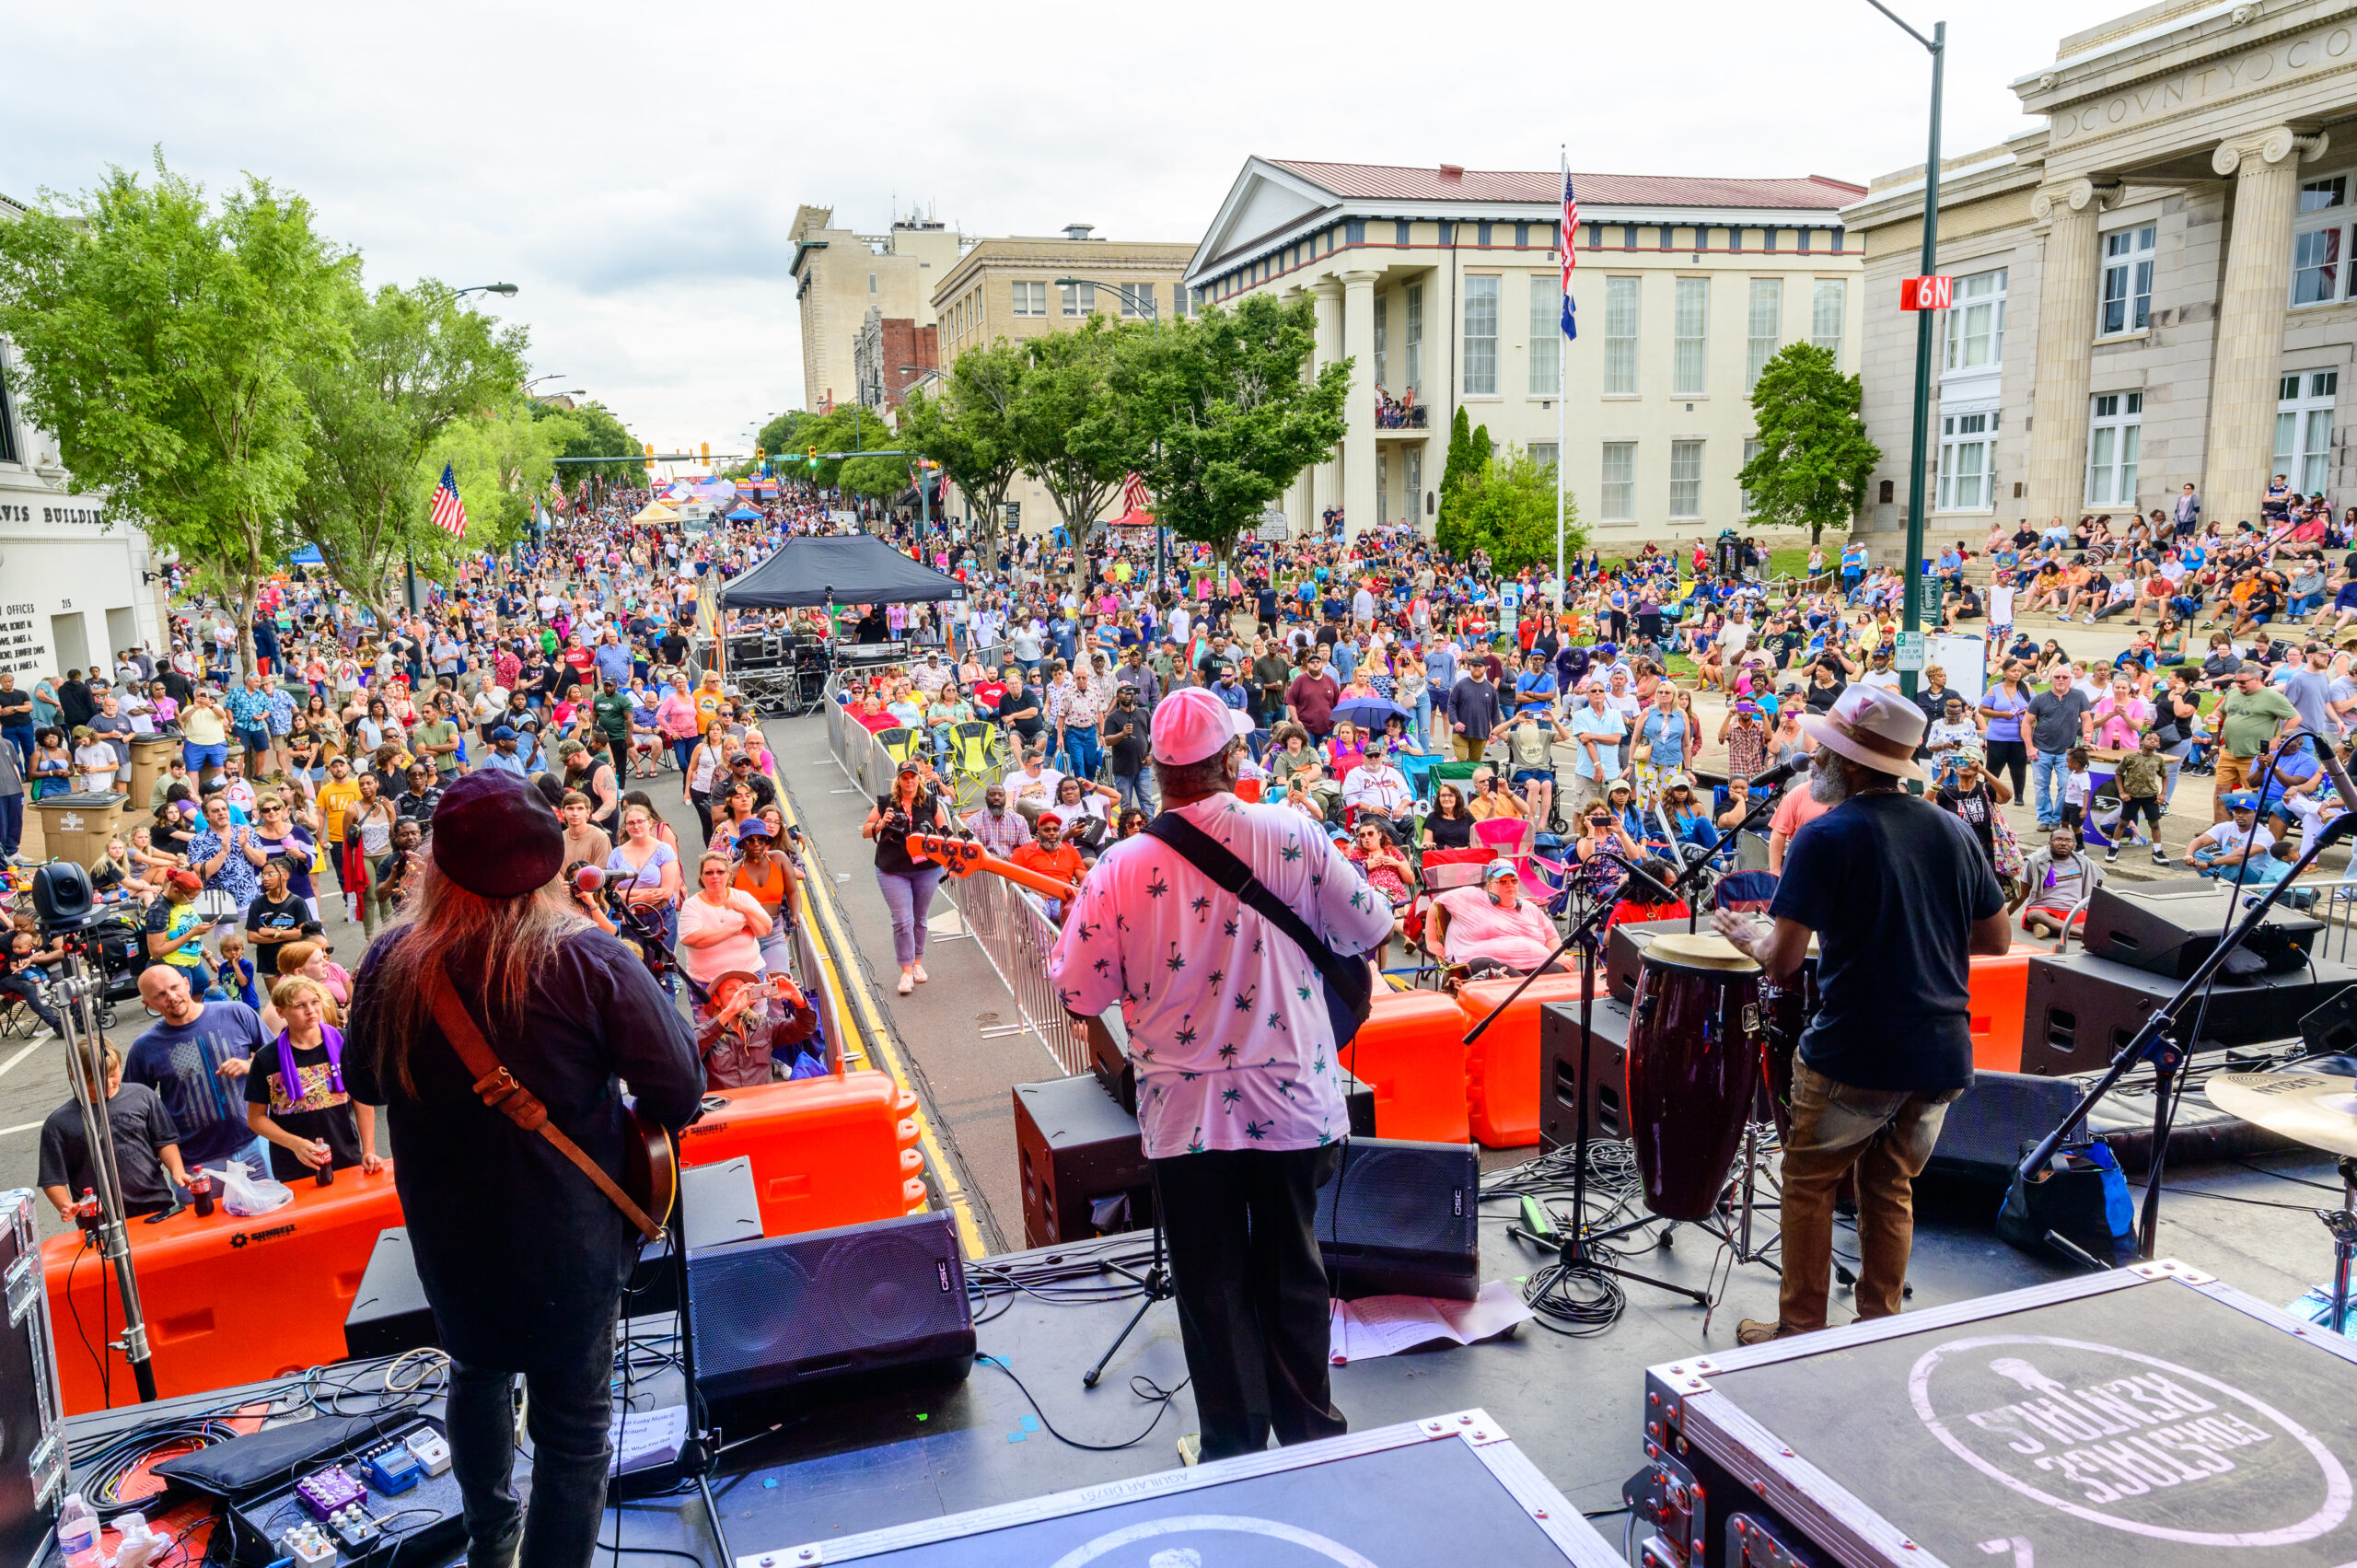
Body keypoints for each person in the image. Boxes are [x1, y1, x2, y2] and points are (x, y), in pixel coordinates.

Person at [343, 771, 702, 1568]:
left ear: (436, 864)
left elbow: (363, 1084)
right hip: (568, 1239)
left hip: (449, 1236)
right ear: (548, 865)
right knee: (574, 1431)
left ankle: (489, 1540)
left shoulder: (389, 962)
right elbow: (678, 1086)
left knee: (474, 1374)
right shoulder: (588, 959)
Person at [1047, 685, 1389, 1466]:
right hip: (1292, 1100)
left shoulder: (1122, 865)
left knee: (1212, 1285)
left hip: (1186, 1113)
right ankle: (1309, 1436)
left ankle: (1234, 1447)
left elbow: (1077, 990)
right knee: (1293, 1269)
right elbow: (1370, 923)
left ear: (1161, 775)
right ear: (1230, 760)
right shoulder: (1291, 831)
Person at [1712, 686, 2010, 1345]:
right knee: (1890, 1182)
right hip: (1940, 1053)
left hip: (1857, 1049)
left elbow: (1783, 961)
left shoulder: (1825, 835)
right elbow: (1996, 939)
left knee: (1809, 1180)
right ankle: (1878, 1326)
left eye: (1823, 747)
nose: (1812, 754)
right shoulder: (1953, 829)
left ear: (1847, 761)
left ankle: (1800, 1328)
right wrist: (1908, 932)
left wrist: (1748, 935)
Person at [39, 1040, 190, 1223]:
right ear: (74, 1077)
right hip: (100, 1219)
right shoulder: (58, 1124)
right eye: (95, 1080)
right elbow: (52, 1178)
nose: (108, 1084)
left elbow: (164, 1140)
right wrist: (66, 1205)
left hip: (155, 1205)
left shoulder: (143, 1096)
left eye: (113, 1074)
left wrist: (177, 1170)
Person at [247, 974, 379, 1179]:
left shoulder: (345, 1043)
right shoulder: (266, 1058)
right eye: (300, 1006)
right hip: (294, 1164)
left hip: (344, 1154)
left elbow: (363, 1100)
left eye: (315, 1002)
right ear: (281, 1012)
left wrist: (369, 1149)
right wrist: (294, 1144)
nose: (311, 1011)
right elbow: (256, 1119)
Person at [864, 761, 950, 995]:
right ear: (898, 780)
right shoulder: (885, 802)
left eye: (913, 777)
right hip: (893, 868)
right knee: (903, 920)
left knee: (920, 918)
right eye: (905, 777)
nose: (909, 781)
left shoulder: (931, 802)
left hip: (927, 869)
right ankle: (905, 971)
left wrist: (940, 852)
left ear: (919, 779)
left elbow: (945, 833)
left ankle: (917, 964)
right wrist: (882, 823)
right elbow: (865, 830)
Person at [677, 852, 773, 1023]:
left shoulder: (742, 898)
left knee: (758, 1028)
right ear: (702, 876)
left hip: (751, 976)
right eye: (709, 872)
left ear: (728, 874)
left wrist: (743, 909)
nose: (715, 876)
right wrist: (734, 929)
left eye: (720, 872)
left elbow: (764, 929)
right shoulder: (692, 905)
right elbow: (692, 938)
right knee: (710, 1034)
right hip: (707, 983)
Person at [1430, 861, 1563, 979]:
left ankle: (1528, 991)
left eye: (1514, 880)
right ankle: (1527, 990)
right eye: (1502, 881)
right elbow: (1436, 905)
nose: (1509, 885)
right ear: (1490, 886)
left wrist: (1559, 956)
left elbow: (1551, 938)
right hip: (1484, 964)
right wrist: (1431, 941)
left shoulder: (1530, 908)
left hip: (1535, 965)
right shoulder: (1470, 897)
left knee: (1560, 971)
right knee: (1492, 969)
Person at [2014, 828, 2101, 939]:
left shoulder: (2084, 863)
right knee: (2034, 915)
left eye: (2068, 840)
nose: (2063, 843)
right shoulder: (2034, 862)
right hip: (2045, 911)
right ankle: (2082, 934)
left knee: (2102, 920)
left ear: (2074, 844)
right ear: (2050, 843)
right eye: (2058, 839)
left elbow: (2093, 893)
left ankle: (2051, 930)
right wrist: (2005, 915)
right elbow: (2023, 894)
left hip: (2073, 913)